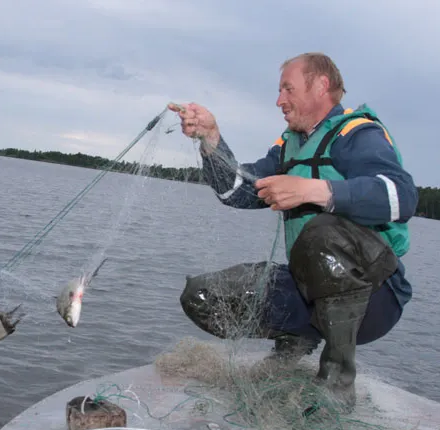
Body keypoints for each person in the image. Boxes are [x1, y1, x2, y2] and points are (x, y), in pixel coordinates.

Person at [169, 52, 418, 411]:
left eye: (288, 88)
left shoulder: (358, 134)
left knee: (321, 233)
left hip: (376, 297)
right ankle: (298, 339)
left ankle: (336, 387)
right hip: (310, 292)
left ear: (321, 86)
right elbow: (236, 190)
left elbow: (403, 196)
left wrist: (315, 191)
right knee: (203, 295)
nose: (279, 100)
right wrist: (210, 138)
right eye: (279, 90)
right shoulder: (289, 145)